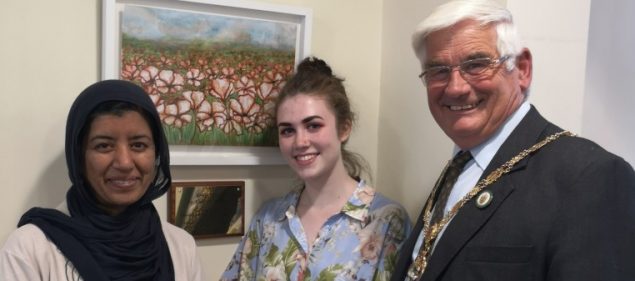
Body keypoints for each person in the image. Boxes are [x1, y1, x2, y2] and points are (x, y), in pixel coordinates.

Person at [390, 1, 635, 281]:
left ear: (522, 69)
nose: (455, 87)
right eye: (438, 71)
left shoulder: (589, 178)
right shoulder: (459, 169)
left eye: (477, 64)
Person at [221, 57, 412, 281]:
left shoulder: (386, 221)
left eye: (313, 126)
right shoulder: (269, 219)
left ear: (344, 128)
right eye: (287, 131)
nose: (300, 142)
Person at [0, 80, 205, 280]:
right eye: (104, 146)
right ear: (78, 156)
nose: (124, 163)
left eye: (139, 145)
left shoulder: (181, 247)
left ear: (157, 153)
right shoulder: (30, 250)